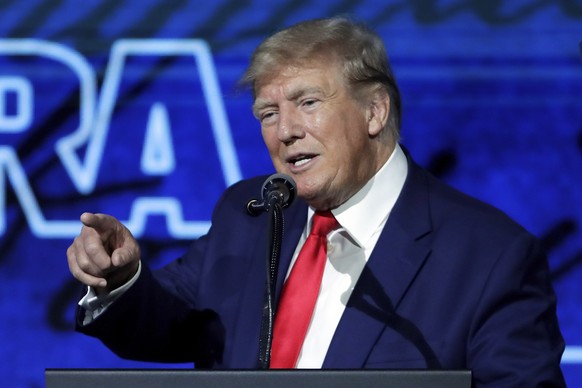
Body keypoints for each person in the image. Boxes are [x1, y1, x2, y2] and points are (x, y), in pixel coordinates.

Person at [67, 17, 566, 386]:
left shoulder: (491, 256)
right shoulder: (252, 213)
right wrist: (119, 280)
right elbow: (167, 323)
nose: (285, 131)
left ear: (374, 110)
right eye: (268, 112)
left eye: (308, 103)